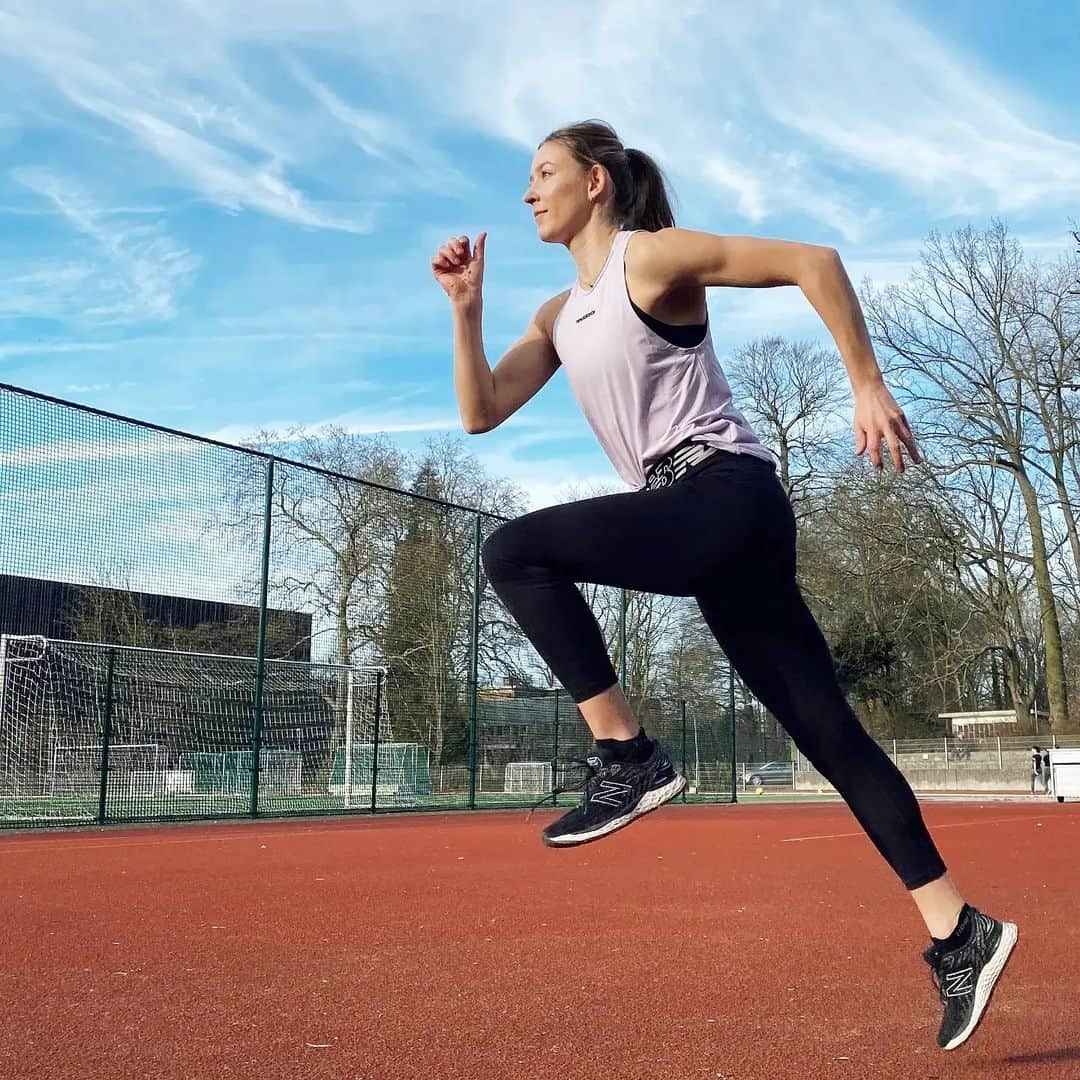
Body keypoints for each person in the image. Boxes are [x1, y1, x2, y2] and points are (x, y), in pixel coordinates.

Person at [430, 119, 1017, 1051]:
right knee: (830, 736)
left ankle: (627, 757)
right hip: (704, 523)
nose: (528, 192)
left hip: (723, 493)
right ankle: (959, 929)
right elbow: (479, 413)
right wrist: (466, 306)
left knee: (514, 552)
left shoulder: (652, 261)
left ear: (596, 184)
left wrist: (866, 383)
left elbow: (813, 262)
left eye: (544, 174)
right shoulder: (555, 315)